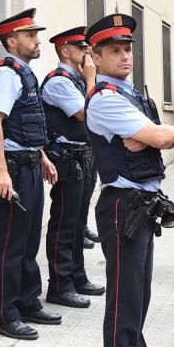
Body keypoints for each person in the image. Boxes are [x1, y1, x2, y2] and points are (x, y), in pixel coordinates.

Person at [84, 13, 174, 347]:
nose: (124, 56)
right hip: (123, 204)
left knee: (139, 294)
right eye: (114, 51)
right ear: (97, 56)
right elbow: (162, 138)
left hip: (142, 202)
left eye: (127, 49)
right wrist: (155, 132)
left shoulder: (130, 95)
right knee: (124, 302)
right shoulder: (106, 99)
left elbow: (164, 133)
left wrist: (156, 130)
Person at [0, 8, 60, 340]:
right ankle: (3, 313)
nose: (36, 39)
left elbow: (26, 123)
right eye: (30, 35)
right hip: (13, 168)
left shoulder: (25, 72)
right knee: (10, 244)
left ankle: (28, 301)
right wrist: (1, 171)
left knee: (29, 240)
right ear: (11, 41)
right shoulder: (6, 74)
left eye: (35, 33)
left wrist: (42, 157)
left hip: (29, 163)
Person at [41, 26, 105, 309]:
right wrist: (92, 78)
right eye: (82, 48)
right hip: (67, 159)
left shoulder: (77, 80)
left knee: (79, 223)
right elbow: (89, 113)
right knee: (64, 224)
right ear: (66, 51)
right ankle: (60, 284)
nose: (88, 54)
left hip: (83, 156)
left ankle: (77, 277)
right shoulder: (59, 81)